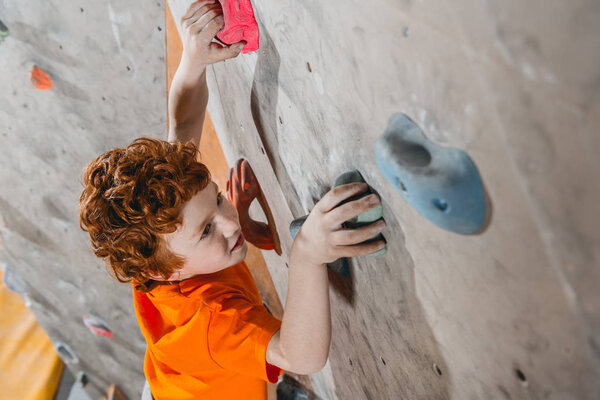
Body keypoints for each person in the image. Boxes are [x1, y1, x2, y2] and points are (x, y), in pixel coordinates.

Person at [78, 1, 386, 399]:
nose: (229, 222)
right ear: (164, 274)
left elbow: (184, 123)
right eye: (207, 230)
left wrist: (193, 60)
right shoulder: (212, 323)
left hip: (174, 381)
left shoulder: (164, 230)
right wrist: (307, 254)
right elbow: (300, 355)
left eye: (219, 200)